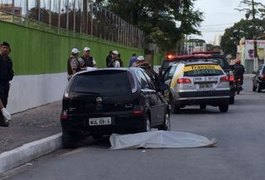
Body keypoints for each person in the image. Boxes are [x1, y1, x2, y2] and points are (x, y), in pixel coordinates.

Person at [0, 41, 14, 127]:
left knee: (4, 101)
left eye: (6, 48)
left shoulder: (9, 61)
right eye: (3, 47)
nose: (5, 49)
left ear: (9, 50)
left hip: (5, 84)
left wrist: (11, 75)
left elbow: (10, 73)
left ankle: (2, 119)